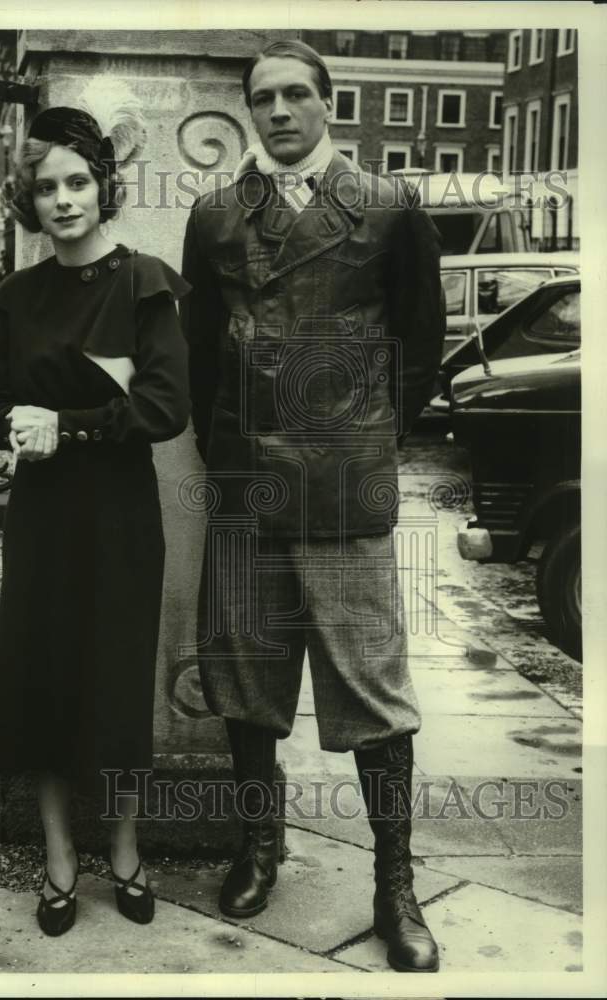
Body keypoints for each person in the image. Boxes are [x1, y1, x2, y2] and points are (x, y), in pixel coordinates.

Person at [180, 40, 445, 973]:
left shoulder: (387, 205)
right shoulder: (217, 214)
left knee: (374, 690)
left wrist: (369, 432)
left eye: (298, 94)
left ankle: (395, 887)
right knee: (246, 677)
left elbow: (420, 341)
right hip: (248, 479)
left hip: (344, 483)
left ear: (329, 104)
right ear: (250, 112)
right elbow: (200, 348)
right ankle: (259, 848)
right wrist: (226, 447)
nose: (281, 110)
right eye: (265, 98)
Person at [0, 87, 191, 935]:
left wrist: (70, 424)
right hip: (44, 518)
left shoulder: (143, 283)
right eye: (46, 188)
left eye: (77, 183)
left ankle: (126, 850)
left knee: (115, 680)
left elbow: (164, 407)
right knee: (46, 679)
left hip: (119, 516)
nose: (63, 201)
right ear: (28, 200)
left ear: (103, 186)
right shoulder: (13, 297)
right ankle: (60, 859)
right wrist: (15, 425)